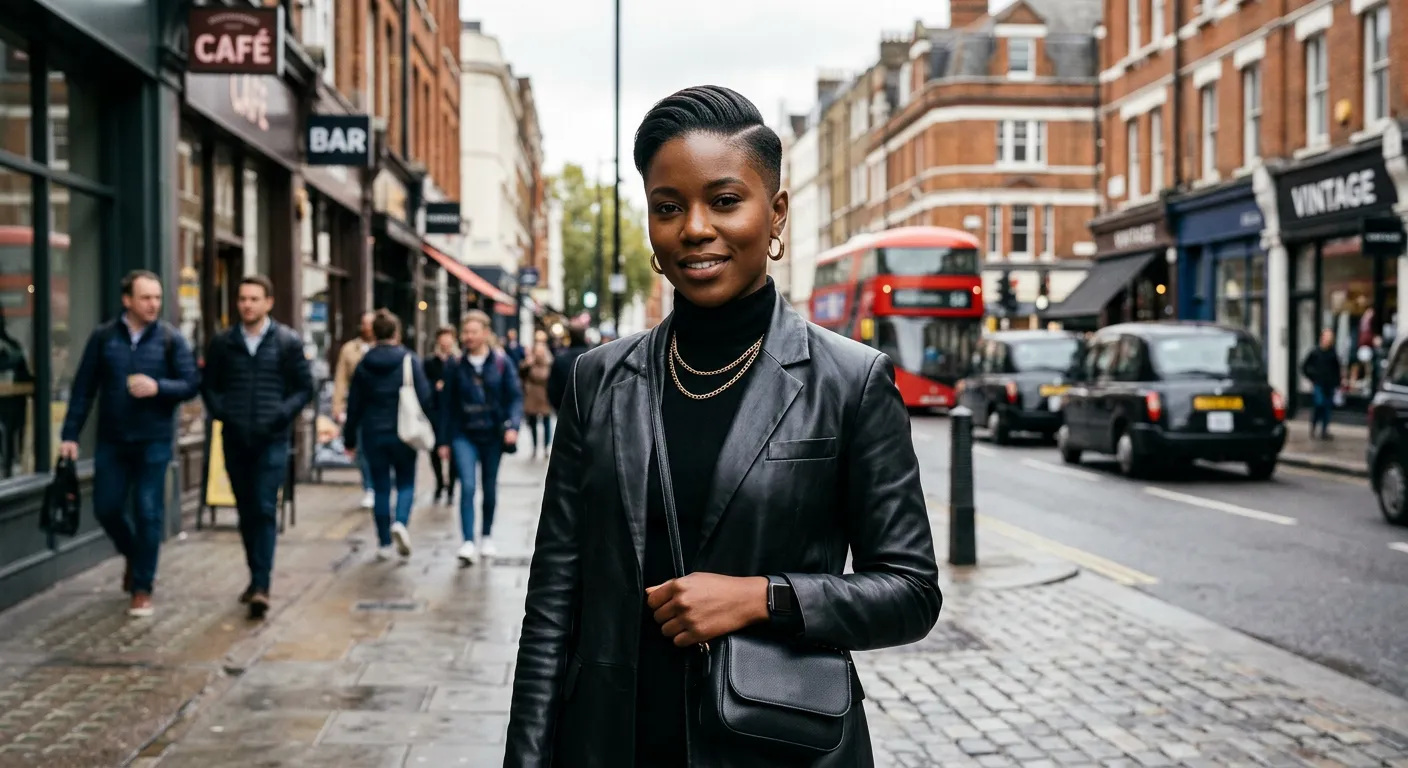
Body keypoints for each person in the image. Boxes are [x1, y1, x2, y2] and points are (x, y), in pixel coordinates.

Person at [503, 85, 942, 767]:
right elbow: (554, 601)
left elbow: (910, 594)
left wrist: (764, 598)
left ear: (776, 214)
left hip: (776, 744)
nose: (696, 228)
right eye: (668, 207)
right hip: (614, 742)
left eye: (725, 200)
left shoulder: (849, 381)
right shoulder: (598, 380)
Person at [59, 270, 199, 618]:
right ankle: (134, 555)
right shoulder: (104, 337)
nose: (153, 304)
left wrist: (158, 387)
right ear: (127, 301)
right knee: (106, 507)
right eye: (145, 298)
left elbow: (192, 384)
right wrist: (69, 435)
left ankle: (142, 587)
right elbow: (83, 388)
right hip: (113, 440)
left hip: (153, 440)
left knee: (148, 510)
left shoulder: (170, 338)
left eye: (157, 298)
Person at [201, 275, 315, 620]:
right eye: (242, 299)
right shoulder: (223, 343)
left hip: (272, 439)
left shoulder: (286, 342)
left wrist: (280, 415)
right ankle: (255, 577)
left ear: (268, 303)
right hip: (235, 438)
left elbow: (303, 388)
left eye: (253, 299)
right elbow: (209, 386)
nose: (247, 305)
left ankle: (262, 586)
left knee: (265, 508)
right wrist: (224, 413)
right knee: (247, 510)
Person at [344, 310, 433, 560]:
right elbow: (425, 397)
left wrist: (349, 438)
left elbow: (355, 404)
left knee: (381, 487)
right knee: (406, 482)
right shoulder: (409, 360)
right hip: (404, 432)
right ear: (396, 332)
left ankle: (384, 543)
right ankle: (400, 522)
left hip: (373, 433)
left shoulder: (364, 363)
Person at [437, 310, 522, 566]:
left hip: (492, 435)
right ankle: (467, 541)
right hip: (464, 434)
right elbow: (447, 405)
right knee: (468, 486)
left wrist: (513, 425)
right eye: (466, 332)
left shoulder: (501, 362)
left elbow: (515, 396)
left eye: (474, 332)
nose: (468, 337)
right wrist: (443, 441)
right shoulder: (454, 365)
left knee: (489, 486)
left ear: (485, 333)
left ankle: (486, 535)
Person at [334, 312, 377, 509]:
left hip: (383, 407)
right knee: (362, 449)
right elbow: (341, 379)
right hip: (358, 405)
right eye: (365, 324)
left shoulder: (386, 347)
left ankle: (381, 484)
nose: (367, 328)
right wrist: (338, 406)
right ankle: (369, 487)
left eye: (371, 324)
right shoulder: (350, 349)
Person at [423, 325, 459, 504]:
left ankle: (451, 487)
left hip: (453, 413)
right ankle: (439, 483)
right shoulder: (430, 362)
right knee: (434, 450)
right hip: (434, 412)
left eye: (449, 337)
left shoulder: (458, 361)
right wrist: (434, 387)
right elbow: (423, 384)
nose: (446, 341)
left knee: (454, 452)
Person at [1302, 328, 1343, 440]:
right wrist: (1313, 377)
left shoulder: (1332, 354)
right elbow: (1304, 366)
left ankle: (1324, 430)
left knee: (1327, 408)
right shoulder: (1315, 352)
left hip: (1329, 385)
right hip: (1319, 383)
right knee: (1319, 404)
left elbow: (1337, 369)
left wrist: (1338, 383)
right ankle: (1314, 426)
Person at [519, 339, 554, 458]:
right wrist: (527, 364)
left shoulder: (550, 362)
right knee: (532, 422)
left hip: (545, 395)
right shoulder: (529, 363)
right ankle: (534, 446)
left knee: (546, 422)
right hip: (532, 395)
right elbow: (520, 374)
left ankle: (546, 446)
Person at [546, 321, 589, 413]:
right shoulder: (595, 357)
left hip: (565, 410)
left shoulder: (561, 359)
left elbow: (552, 388)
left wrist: (558, 407)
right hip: (590, 410)